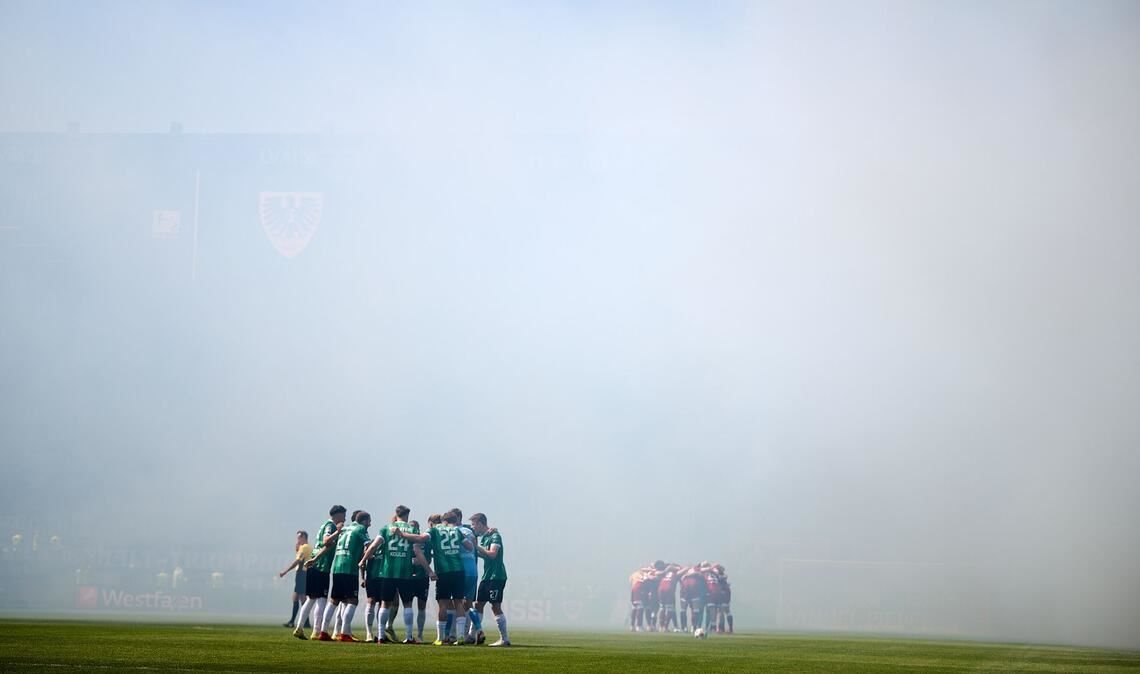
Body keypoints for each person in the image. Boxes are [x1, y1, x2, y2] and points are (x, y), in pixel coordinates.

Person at [395, 509, 472, 645]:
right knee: (459, 602)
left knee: (442, 603)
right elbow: (469, 547)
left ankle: (440, 638)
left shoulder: (434, 530)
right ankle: (460, 636)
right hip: (459, 570)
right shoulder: (457, 530)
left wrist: (402, 534)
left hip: (443, 571)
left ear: (443, 521)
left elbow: (420, 539)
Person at [361, 505, 427, 644]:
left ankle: (380, 636)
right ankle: (409, 637)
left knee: (385, 604)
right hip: (405, 573)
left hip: (387, 572)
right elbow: (417, 550)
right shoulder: (412, 529)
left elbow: (373, 546)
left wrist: (363, 560)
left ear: (396, 514)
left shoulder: (386, 528)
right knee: (408, 604)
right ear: (407, 515)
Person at [294, 505, 346, 640]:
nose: (345, 518)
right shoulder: (331, 526)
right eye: (344, 515)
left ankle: (299, 627)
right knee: (322, 599)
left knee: (311, 598)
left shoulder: (324, 524)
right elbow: (326, 541)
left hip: (313, 563)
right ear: (338, 515)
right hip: (321, 565)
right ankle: (317, 631)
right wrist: (338, 532)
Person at [325, 510, 370, 642]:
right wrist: (369, 555)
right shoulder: (361, 529)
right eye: (369, 521)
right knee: (352, 601)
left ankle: (322, 631)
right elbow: (368, 546)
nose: (370, 524)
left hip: (337, 566)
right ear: (364, 521)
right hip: (350, 568)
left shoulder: (344, 528)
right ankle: (345, 633)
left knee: (334, 600)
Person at [470, 512, 510, 647]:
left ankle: (504, 639)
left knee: (495, 606)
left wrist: (476, 547)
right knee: (478, 605)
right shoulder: (485, 537)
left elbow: (492, 555)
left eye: (474, 524)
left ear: (481, 523)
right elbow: (486, 556)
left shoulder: (495, 536)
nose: (473, 527)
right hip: (487, 576)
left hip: (496, 576)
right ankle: (474, 635)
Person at [409, 515, 440, 642]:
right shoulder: (406, 541)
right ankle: (409, 634)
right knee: (408, 606)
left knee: (422, 606)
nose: (414, 530)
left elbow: (428, 558)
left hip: (422, 577)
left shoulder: (425, 541)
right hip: (409, 578)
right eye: (411, 527)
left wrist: (422, 562)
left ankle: (420, 635)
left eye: (415, 527)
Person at [278, 530, 311, 628]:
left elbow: (298, 562)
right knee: (297, 598)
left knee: (302, 598)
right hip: (302, 574)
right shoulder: (305, 547)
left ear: (304, 537)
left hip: (302, 574)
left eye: (299, 537)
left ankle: (302, 622)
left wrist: (285, 571)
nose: (297, 540)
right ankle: (299, 621)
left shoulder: (304, 547)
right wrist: (297, 550)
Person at [678, 564, 707, 634]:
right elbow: (678, 573)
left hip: (695, 593)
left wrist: (688, 575)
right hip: (684, 592)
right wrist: (686, 569)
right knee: (683, 610)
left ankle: (694, 627)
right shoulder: (684, 570)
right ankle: (684, 627)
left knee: (695, 610)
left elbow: (699, 574)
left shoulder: (697, 570)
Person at [656, 562, 682, 632]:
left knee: (662, 607)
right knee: (670, 608)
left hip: (661, 588)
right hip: (669, 589)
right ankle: (665, 627)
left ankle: (661, 626)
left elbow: (657, 573)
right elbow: (684, 570)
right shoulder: (676, 573)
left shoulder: (664, 573)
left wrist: (666, 569)